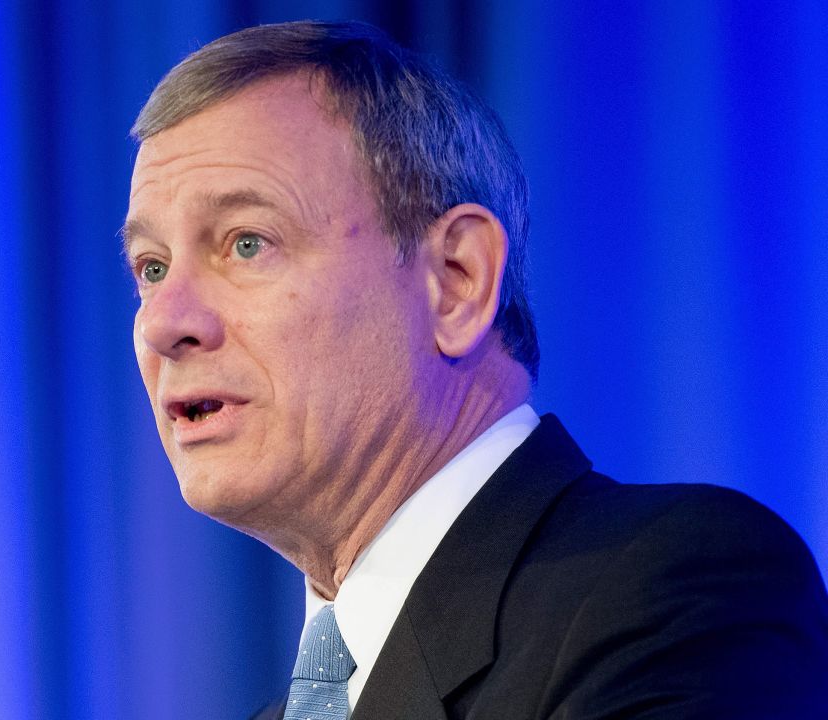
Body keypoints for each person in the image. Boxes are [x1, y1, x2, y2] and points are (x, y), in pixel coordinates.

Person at [122, 20, 828, 720]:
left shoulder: (672, 591)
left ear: (456, 280)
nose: (162, 322)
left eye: (247, 243)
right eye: (151, 269)